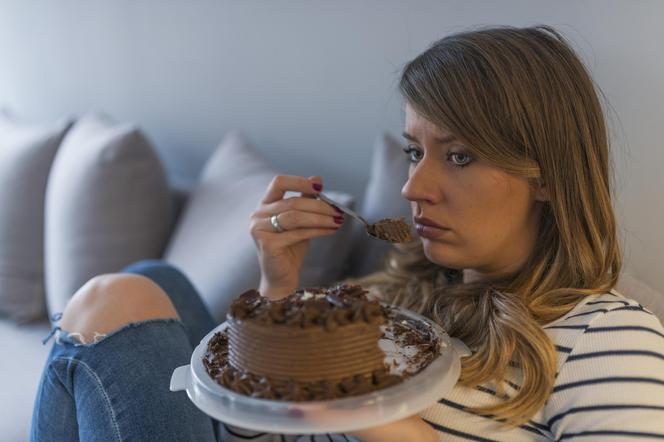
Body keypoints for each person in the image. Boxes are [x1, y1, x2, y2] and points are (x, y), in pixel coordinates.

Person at [30, 25, 664, 442]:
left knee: (114, 298)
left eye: (461, 156)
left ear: (548, 176)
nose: (415, 188)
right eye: (415, 152)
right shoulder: (390, 300)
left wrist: (362, 401)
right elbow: (253, 433)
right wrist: (279, 295)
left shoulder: (610, 336)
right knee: (148, 283)